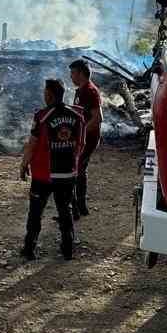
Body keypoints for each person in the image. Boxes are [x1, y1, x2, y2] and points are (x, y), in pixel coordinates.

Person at [18, 77, 85, 260]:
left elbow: (32, 144)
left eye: (45, 93)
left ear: (49, 95)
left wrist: (24, 164)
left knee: (35, 213)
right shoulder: (77, 115)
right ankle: (68, 249)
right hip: (68, 172)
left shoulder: (42, 116)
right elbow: (81, 143)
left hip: (43, 174)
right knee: (66, 211)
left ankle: (29, 250)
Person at [68, 57, 102, 219]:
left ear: (81, 73)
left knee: (75, 170)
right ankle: (78, 207)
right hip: (82, 138)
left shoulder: (90, 91)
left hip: (87, 139)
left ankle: (75, 207)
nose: (71, 77)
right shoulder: (81, 91)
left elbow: (97, 119)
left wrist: (81, 133)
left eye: (73, 73)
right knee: (78, 170)